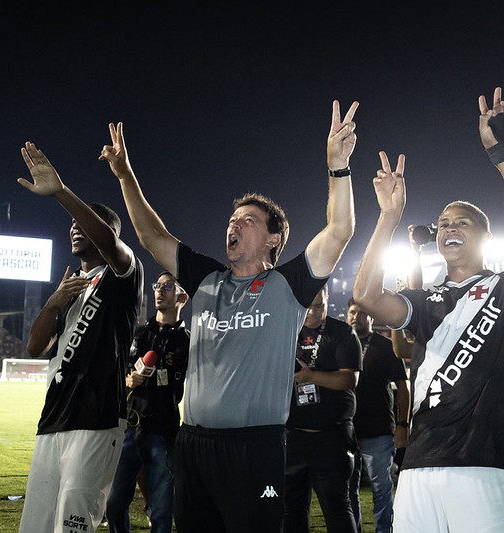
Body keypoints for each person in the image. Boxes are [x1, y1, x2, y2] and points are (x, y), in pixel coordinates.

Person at [100, 98, 358, 532]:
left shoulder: (288, 286)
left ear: (274, 238)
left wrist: (337, 166)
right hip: (194, 444)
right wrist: (125, 174)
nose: (233, 225)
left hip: (256, 448)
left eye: (249, 220)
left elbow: (339, 231)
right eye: (232, 219)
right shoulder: (207, 280)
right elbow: (150, 235)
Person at [352, 87, 504, 532]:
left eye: (461, 221)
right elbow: (366, 296)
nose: (448, 227)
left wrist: (500, 151)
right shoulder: (425, 301)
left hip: (485, 469)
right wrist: (388, 215)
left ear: (484, 237)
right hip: (418, 471)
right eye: (443, 222)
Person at [16, 141, 143, 533]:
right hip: (53, 418)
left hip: (96, 418)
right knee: (37, 526)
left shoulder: (124, 274)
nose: (74, 228)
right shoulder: (71, 285)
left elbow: (108, 242)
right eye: (72, 224)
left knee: (73, 525)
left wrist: (60, 193)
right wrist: (53, 303)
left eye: (83, 224)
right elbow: (36, 348)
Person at [106, 272, 190, 533]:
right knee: (113, 505)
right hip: (131, 430)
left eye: (167, 286)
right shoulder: (140, 332)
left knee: (163, 514)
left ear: (182, 297)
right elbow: (116, 373)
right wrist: (129, 380)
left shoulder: (187, 341)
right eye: (157, 285)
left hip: (164, 434)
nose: (159, 290)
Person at [284, 285, 362, 532]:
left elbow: (349, 380)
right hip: (293, 436)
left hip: (331, 437)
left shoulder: (342, 332)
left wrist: (311, 377)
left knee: (337, 507)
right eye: (306, 305)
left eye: (318, 305)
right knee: (291, 511)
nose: (310, 312)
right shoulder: (287, 331)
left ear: (327, 299)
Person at [347, 298, 409, 533]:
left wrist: (402, 424)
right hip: (346, 430)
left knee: (381, 488)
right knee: (348, 488)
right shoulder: (340, 343)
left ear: (371, 317)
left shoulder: (385, 347)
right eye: (352, 312)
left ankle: (384, 531)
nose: (356, 317)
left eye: (362, 313)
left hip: (379, 429)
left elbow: (403, 387)